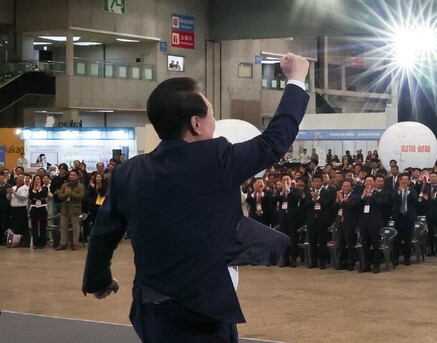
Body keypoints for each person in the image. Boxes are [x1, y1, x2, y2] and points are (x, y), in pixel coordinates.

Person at [82, 53, 310, 343]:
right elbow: (275, 140)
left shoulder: (128, 172)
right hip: (202, 315)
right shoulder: (217, 159)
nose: (215, 121)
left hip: (152, 309)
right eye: (211, 114)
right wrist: (295, 80)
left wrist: (98, 279)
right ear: (196, 124)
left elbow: (104, 233)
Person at [56, 170, 84, 251]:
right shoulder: (64, 185)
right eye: (70, 175)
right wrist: (66, 194)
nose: (71, 176)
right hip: (65, 208)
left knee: (76, 227)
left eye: (73, 175)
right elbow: (60, 196)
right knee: (63, 227)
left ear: (77, 176)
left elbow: (81, 197)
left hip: (75, 208)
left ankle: (75, 244)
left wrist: (71, 193)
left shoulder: (80, 186)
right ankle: (63, 243)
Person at [29, 174, 49, 249]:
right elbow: (31, 197)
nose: (37, 181)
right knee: (34, 226)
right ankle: (35, 242)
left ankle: (43, 242)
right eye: (35, 179)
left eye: (38, 179)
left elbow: (43, 196)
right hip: (34, 208)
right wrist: (35, 191)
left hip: (42, 207)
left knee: (42, 226)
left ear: (41, 180)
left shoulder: (45, 188)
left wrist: (38, 190)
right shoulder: (31, 188)